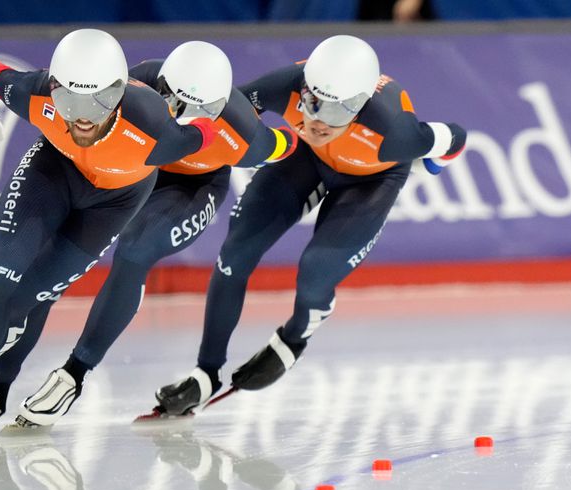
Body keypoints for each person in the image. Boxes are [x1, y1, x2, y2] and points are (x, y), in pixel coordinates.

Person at [0, 28, 218, 436]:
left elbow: (211, 131)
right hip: (52, 173)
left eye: (98, 99)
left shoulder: (156, 130)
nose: (82, 114)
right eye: (69, 98)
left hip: (112, 204)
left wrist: (268, 144)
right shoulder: (36, 94)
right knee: (2, 275)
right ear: (54, 87)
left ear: (118, 93)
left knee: (31, 296)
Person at [151, 35, 466, 412]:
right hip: (305, 158)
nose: (317, 119)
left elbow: (457, 139)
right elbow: (222, 114)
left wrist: (429, 163)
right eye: (311, 103)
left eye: (334, 112)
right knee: (236, 251)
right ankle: (206, 372)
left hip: (370, 182)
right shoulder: (285, 84)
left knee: (316, 270)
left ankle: (294, 339)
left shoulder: (396, 134)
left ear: (361, 107)